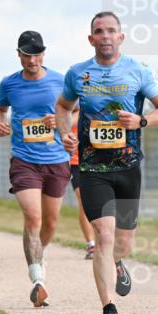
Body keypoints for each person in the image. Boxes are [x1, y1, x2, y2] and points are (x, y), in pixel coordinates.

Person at [56, 11, 158, 314]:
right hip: (92, 168)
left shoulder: (139, 71)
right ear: (91, 39)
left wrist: (142, 121)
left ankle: (118, 264)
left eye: (112, 31)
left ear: (120, 37)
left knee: (123, 242)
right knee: (104, 236)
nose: (106, 35)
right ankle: (109, 310)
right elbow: (63, 107)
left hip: (127, 168)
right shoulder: (77, 73)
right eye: (99, 31)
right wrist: (66, 134)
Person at [0, 30, 71, 307]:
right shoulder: (9, 84)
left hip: (56, 159)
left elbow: (76, 110)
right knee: (33, 218)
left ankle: (38, 255)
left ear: (43, 54)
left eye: (37, 54)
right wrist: (0, 122)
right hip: (24, 159)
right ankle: (37, 278)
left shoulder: (60, 80)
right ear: (19, 55)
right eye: (27, 55)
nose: (32, 59)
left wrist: (60, 119)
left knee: (50, 222)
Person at [68, 107, 96, 259]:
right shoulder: (71, 101)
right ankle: (91, 244)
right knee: (84, 200)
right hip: (76, 161)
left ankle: (105, 241)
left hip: (97, 159)